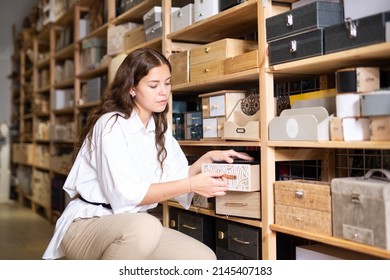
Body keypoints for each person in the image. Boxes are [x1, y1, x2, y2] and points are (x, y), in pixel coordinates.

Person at [42, 48, 253, 260]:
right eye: (153, 85)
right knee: (148, 225)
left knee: (202, 259)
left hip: (134, 226)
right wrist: (192, 184)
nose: (163, 92)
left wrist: (203, 162)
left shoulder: (157, 127)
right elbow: (125, 195)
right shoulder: (111, 125)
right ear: (132, 88)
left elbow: (173, 180)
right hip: (88, 224)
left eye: (167, 83)